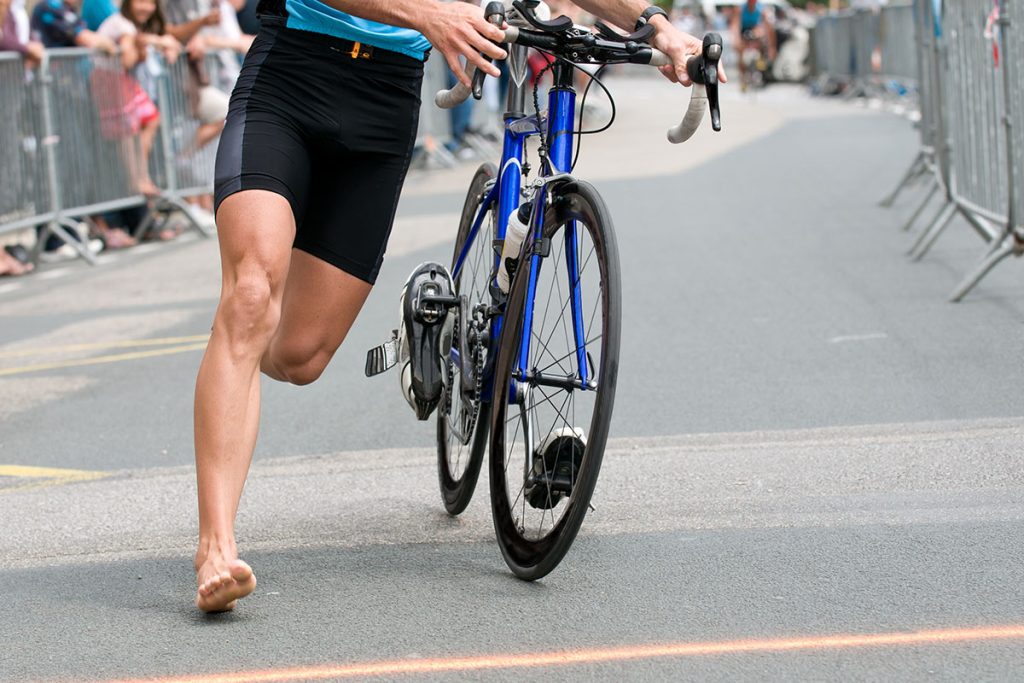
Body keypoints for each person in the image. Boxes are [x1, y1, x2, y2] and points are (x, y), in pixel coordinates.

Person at [192, 0, 725, 613]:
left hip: (385, 102)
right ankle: (217, 549)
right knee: (252, 295)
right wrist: (425, 14)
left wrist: (660, 28)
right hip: (289, 82)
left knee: (297, 355)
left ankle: (248, 339)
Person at [730, 0, 776, 88]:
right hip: (744, 31)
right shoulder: (740, 9)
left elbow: (768, 28)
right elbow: (735, 25)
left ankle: (761, 65)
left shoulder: (762, 9)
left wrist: (771, 47)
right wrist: (736, 40)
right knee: (741, 54)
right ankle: (743, 77)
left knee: (761, 38)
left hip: (756, 30)